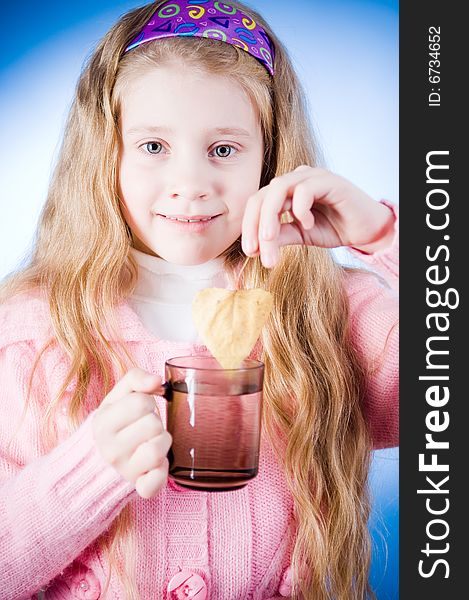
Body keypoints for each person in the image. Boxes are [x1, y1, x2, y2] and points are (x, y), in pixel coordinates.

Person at [0, 1, 398, 598]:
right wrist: (85, 474)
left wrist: (387, 239)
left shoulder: (326, 313)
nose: (190, 183)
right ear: (105, 156)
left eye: (224, 150)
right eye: (154, 146)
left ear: (269, 156)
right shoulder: (31, 334)